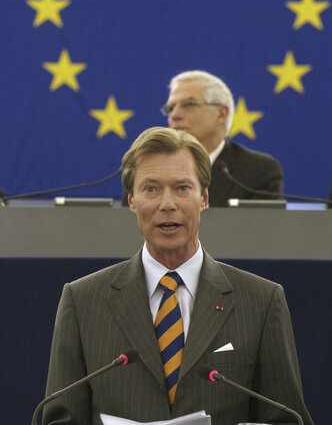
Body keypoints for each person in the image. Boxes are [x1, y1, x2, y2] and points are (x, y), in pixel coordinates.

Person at [43, 127, 313, 425]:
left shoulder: (261, 301)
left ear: (204, 198)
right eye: (151, 189)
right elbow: (60, 418)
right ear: (131, 201)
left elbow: (287, 418)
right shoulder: (83, 301)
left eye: (182, 188)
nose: (167, 203)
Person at [161, 69, 283, 207]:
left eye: (189, 104)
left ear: (221, 114)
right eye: (170, 108)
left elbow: (261, 227)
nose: (175, 115)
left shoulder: (257, 171)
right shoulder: (147, 168)